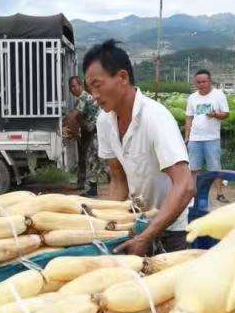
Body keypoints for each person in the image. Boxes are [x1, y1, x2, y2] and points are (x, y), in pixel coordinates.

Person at [83, 39, 195, 255]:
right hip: (136, 222)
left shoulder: (155, 118)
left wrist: (147, 236)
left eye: (97, 85)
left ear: (122, 77)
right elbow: (119, 180)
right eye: (90, 89)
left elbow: (185, 185)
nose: (94, 96)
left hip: (170, 226)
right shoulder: (104, 121)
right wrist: (107, 226)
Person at [185, 69, 230, 203]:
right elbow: (188, 117)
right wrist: (187, 136)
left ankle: (219, 193)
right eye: (198, 82)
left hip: (212, 138)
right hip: (195, 138)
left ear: (210, 81)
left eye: (204, 81)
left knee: (215, 168)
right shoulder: (192, 97)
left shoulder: (219, 95)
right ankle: (192, 194)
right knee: (193, 168)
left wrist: (215, 114)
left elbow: (226, 114)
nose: (201, 84)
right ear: (195, 82)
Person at [69, 75, 105, 196]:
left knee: (92, 158)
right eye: (71, 87)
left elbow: (74, 116)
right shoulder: (82, 99)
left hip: (96, 131)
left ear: (81, 86)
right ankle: (91, 184)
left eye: (74, 86)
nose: (72, 89)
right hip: (92, 131)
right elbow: (77, 118)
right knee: (91, 158)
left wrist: (65, 127)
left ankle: (93, 189)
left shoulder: (83, 97)